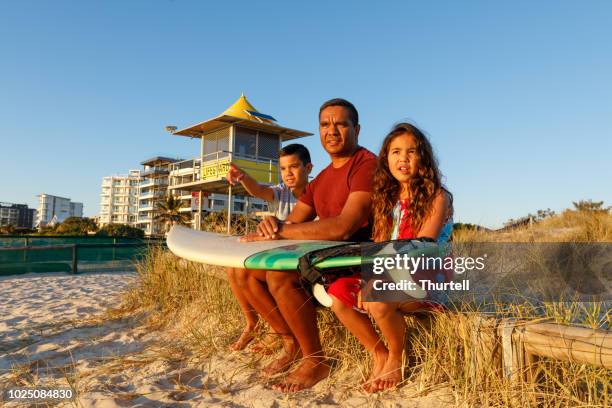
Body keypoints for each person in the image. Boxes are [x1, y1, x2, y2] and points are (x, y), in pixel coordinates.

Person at [238, 98, 377, 392]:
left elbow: (344, 227)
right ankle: (290, 342)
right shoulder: (322, 179)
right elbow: (296, 220)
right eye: (325, 124)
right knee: (245, 273)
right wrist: (270, 228)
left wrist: (283, 230)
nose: (332, 130)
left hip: (360, 253)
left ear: (357, 129)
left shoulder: (366, 165)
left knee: (280, 275)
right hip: (328, 255)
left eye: (341, 124)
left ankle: (316, 360)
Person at [328, 122, 453, 392]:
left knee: (379, 297)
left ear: (423, 158)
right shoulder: (385, 199)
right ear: (386, 158)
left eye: (411, 151)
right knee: (338, 296)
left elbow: (423, 247)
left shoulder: (437, 196)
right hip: (390, 276)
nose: (403, 158)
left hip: (427, 275)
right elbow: (379, 248)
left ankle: (397, 356)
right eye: (395, 152)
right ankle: (379, 354)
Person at [224, 144, 313, 351]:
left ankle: (278, 332)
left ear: (308, 168)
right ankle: (253, 324)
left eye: (294, 167)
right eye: (283, 169)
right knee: (233, 267)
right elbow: (259, 190)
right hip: (280, 256)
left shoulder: (317, 192)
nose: (288, 173)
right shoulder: (281, 193)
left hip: (299, 260)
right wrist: (242, 177)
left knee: (245, 271)